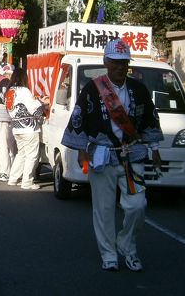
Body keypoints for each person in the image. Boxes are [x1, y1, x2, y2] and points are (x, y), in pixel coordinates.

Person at [61, 38, 164, 272]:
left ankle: (127, 245)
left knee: (138, 205)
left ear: (129, 64)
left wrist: (155, 149)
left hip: (133, 154)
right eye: (115, 62)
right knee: (104, 209)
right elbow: (80, 119)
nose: (120, 67)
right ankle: (108, 253)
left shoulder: (138, 89)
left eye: (124, 62)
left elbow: (149, 119)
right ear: (106, 62)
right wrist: (80, 150)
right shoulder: (93, 89)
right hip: (103, 155)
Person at [6, 68, 49, 190]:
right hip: (28, 128)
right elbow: (33, 109)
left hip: (16, 127)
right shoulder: (24, 90)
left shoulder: (10, 91)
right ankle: (27, 181)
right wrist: (43, 104)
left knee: (22, 154)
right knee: (31, 155)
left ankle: (13, 178)